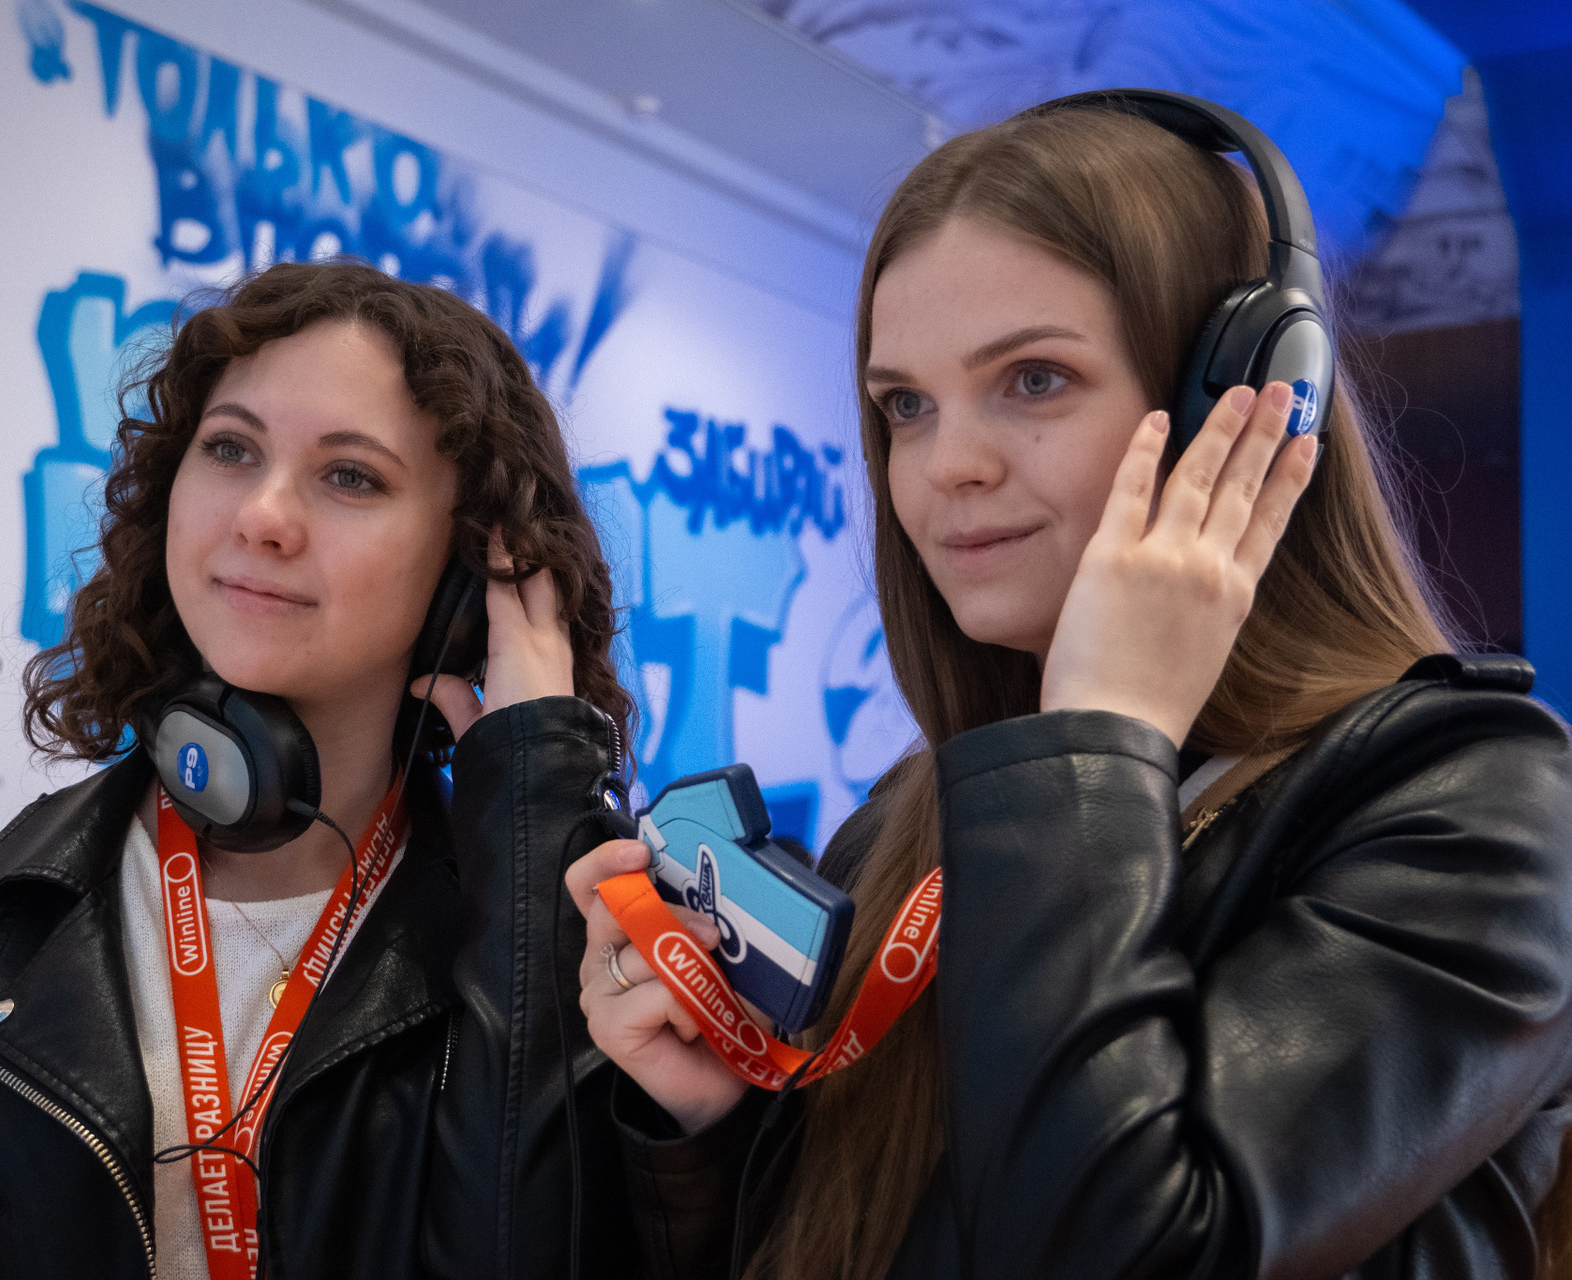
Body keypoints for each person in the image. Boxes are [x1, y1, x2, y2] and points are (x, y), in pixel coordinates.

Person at [566, 97, 1572, 1279]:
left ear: (1247, 400)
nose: (947, 465)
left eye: (1035, 378)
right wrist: (714, 1134)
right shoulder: (911, 817)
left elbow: (1120, 1247)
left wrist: (1102, 733)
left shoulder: (1481, 806)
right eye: (906, 405)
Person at [0, 261, 638, 1280]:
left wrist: (533, 807)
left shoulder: (544, 963)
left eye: (351, 475)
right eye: (231, 448)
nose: (262, 514)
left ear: (473, 571)